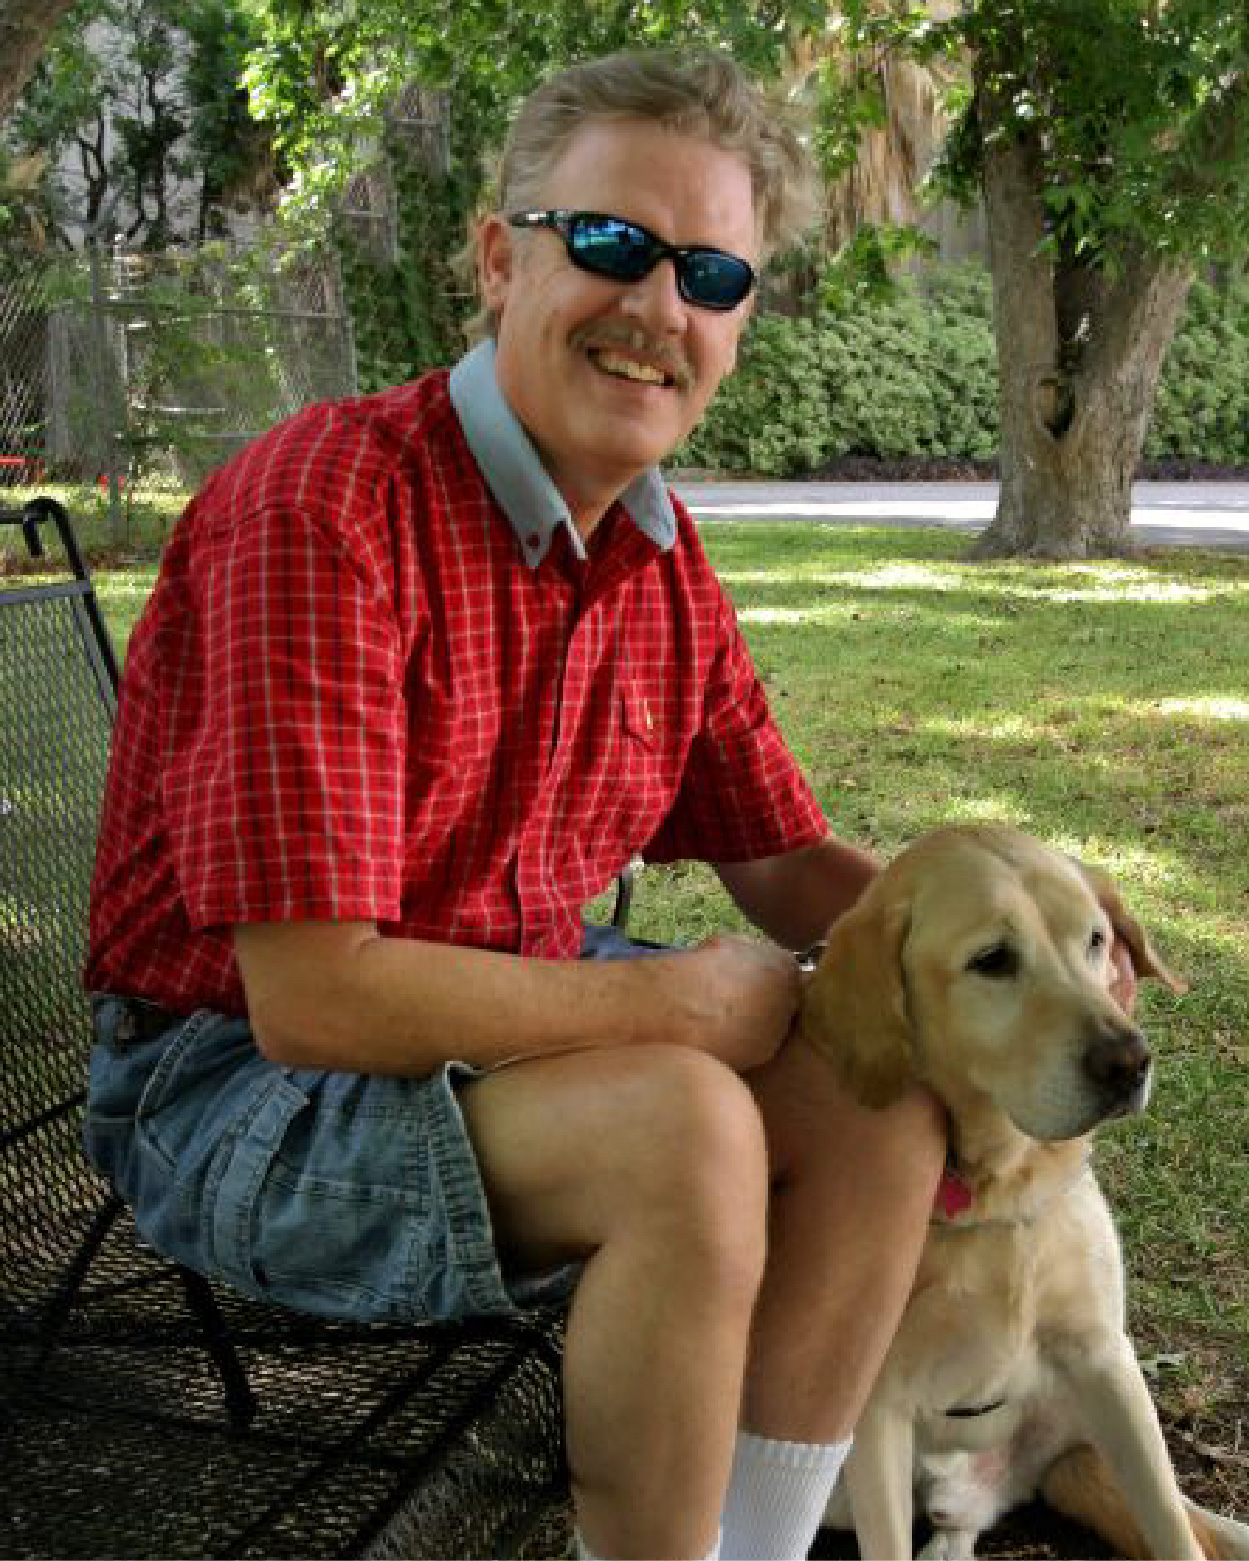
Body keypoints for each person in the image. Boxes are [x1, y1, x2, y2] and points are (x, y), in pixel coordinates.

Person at [83, 48, 951, 1561]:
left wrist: (1002, 957)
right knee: (685, 1119)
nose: (659, 308)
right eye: (612, 244)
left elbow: (787, 857)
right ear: (500, 259)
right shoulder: (328, 509)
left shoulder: (662, 559)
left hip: (502, 1040)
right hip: (227, 1092)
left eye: (713, 272)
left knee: (882, 1098)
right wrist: (677, 1010)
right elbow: (312, 1001)